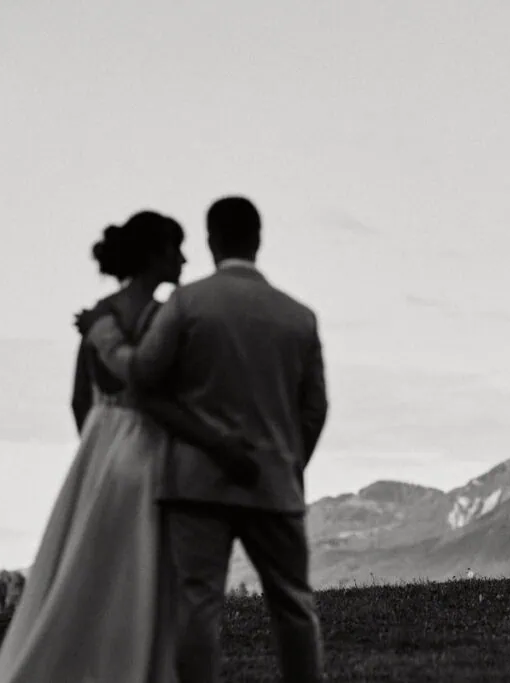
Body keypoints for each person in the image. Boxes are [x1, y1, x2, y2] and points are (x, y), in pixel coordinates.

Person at [0, 210, 256, 683]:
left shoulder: (99, 315)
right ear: (154, 256)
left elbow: (78, 398)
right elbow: (162, 395)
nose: (183, 259)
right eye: (175, 249)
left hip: (100, 446)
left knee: (85, 565)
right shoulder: (161, 317)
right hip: (147, 447)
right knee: (140, 567)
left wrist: (97, 447)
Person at [84, 196, 329, 683]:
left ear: (212, 239)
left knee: (198, 606)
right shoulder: (299, 317)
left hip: (196, 484)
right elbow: (315, 407)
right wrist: (288, 460)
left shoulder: (187, 303)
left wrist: (104, 335)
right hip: (273, 483)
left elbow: (144, 375)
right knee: (293, 605)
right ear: (258, 239)